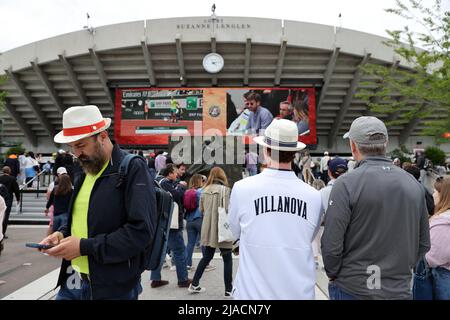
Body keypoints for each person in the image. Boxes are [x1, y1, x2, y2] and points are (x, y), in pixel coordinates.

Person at [38, 105, 157, 300]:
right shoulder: (85, 169)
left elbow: (141, 232)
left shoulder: (132, 168)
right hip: (73, 279)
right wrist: (62, 234)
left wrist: (84, 246)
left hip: (113, 286)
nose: (77, 153)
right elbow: (82, 218)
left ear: (102, 136)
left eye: (81, 145)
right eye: (73, 147)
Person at [321, 116, 430, 300]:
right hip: (398, 288)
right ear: (385, 143)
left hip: (353, 286)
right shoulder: (413, 184)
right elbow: (423, 243)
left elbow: (332, 244)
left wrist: (334, 273)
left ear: (353, 146)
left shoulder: (346, 184)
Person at [229, 119, 323, 299]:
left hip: (252, 294)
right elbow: (309, 236)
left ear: (266, 150)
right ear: (294, 152)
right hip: (298, 293)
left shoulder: (242, 188)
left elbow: (236, 231)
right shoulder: (313, 196)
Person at [188, 167, 234, 298]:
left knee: (206, 257)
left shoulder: (204, 191)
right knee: (227, 259)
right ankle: (228, 290)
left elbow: (201, 210)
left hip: (208, 228)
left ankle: (194, 283)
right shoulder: (226, 190)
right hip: (223, 228)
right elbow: (230, 210)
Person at [150, 164, 191, 288]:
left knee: (160, 249)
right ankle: (183, 279)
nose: (177, 174)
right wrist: (180, 187)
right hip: (171, 223)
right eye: (174, 172)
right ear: (169, 173)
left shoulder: (157, 181)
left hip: (161, 220)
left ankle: (155, 279)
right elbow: (176, 195)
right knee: (179, 250)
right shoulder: (165, 183)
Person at [414, 176, 450, 300]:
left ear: (443, 195)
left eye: (435, 191)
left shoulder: (443, 222)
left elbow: (433, 257)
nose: (433, 194)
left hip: (442, 276)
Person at [184, 174, 205, 271]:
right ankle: (206, 263)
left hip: (189, 220)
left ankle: (188, 264)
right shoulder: (201, 191)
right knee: (204, 242)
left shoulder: (187, 191)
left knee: (190, 243)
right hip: (199, 218)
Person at [0, 166, 20, 239]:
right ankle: (2, 233)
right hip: (8, 198)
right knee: (5, 216)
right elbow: (16, 190)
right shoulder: (12, 179)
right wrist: (18, 198)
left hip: (0, 198)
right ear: (9, 171)